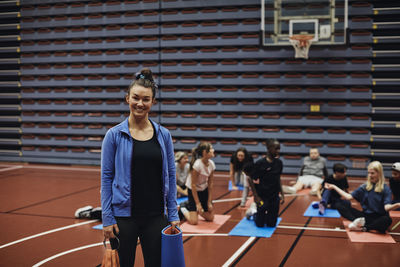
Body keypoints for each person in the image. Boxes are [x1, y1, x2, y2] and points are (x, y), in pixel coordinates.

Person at [101, 68, 179, 267]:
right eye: (136, 98)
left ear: (153, 102)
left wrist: (173, 214)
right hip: (123, 219)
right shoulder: (114, 135)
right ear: (127, 98)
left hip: (155, 217)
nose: (140, 103)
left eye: (146, 99)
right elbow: (106, 177)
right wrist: (107, 218)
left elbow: (171, 174)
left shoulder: (164, 135)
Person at [325, 161, 400, 233]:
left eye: (372, 173)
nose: (370, 175)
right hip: (365, 217)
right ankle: (358, 223)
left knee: (387, 220)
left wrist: (397, 205)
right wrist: (334, 186)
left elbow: (386, 207)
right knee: (339, 205)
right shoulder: (364, 187)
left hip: (379, 217)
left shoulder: (386, 189)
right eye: (369, 173)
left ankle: (365, 228)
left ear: (379, 173)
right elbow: (348, 197)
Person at [245, 139, 285, 227]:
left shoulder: (279, 163)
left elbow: (278, 178)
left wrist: (282, 193)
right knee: (260, 224)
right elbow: (250, 178)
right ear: (269, 148)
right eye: (276, 149)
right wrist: (256, 196)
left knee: (271, 224)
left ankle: (266, 216)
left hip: (274, 197)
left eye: (279, 149)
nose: (278, 151)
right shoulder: (260, 163)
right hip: (262, 196)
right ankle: (252, 212)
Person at [180, 142, 215, 225]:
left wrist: (209, 201)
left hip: (204, 189)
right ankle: (183, 207)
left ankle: (196, 211)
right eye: (211, 149)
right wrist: (198, 204)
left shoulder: (211, 164)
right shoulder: (197, 165)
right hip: (193, 190)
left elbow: (210, 184)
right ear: (204, 153)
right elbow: (193, 185)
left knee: (210, 218)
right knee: (193, 221)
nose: (213, 150)